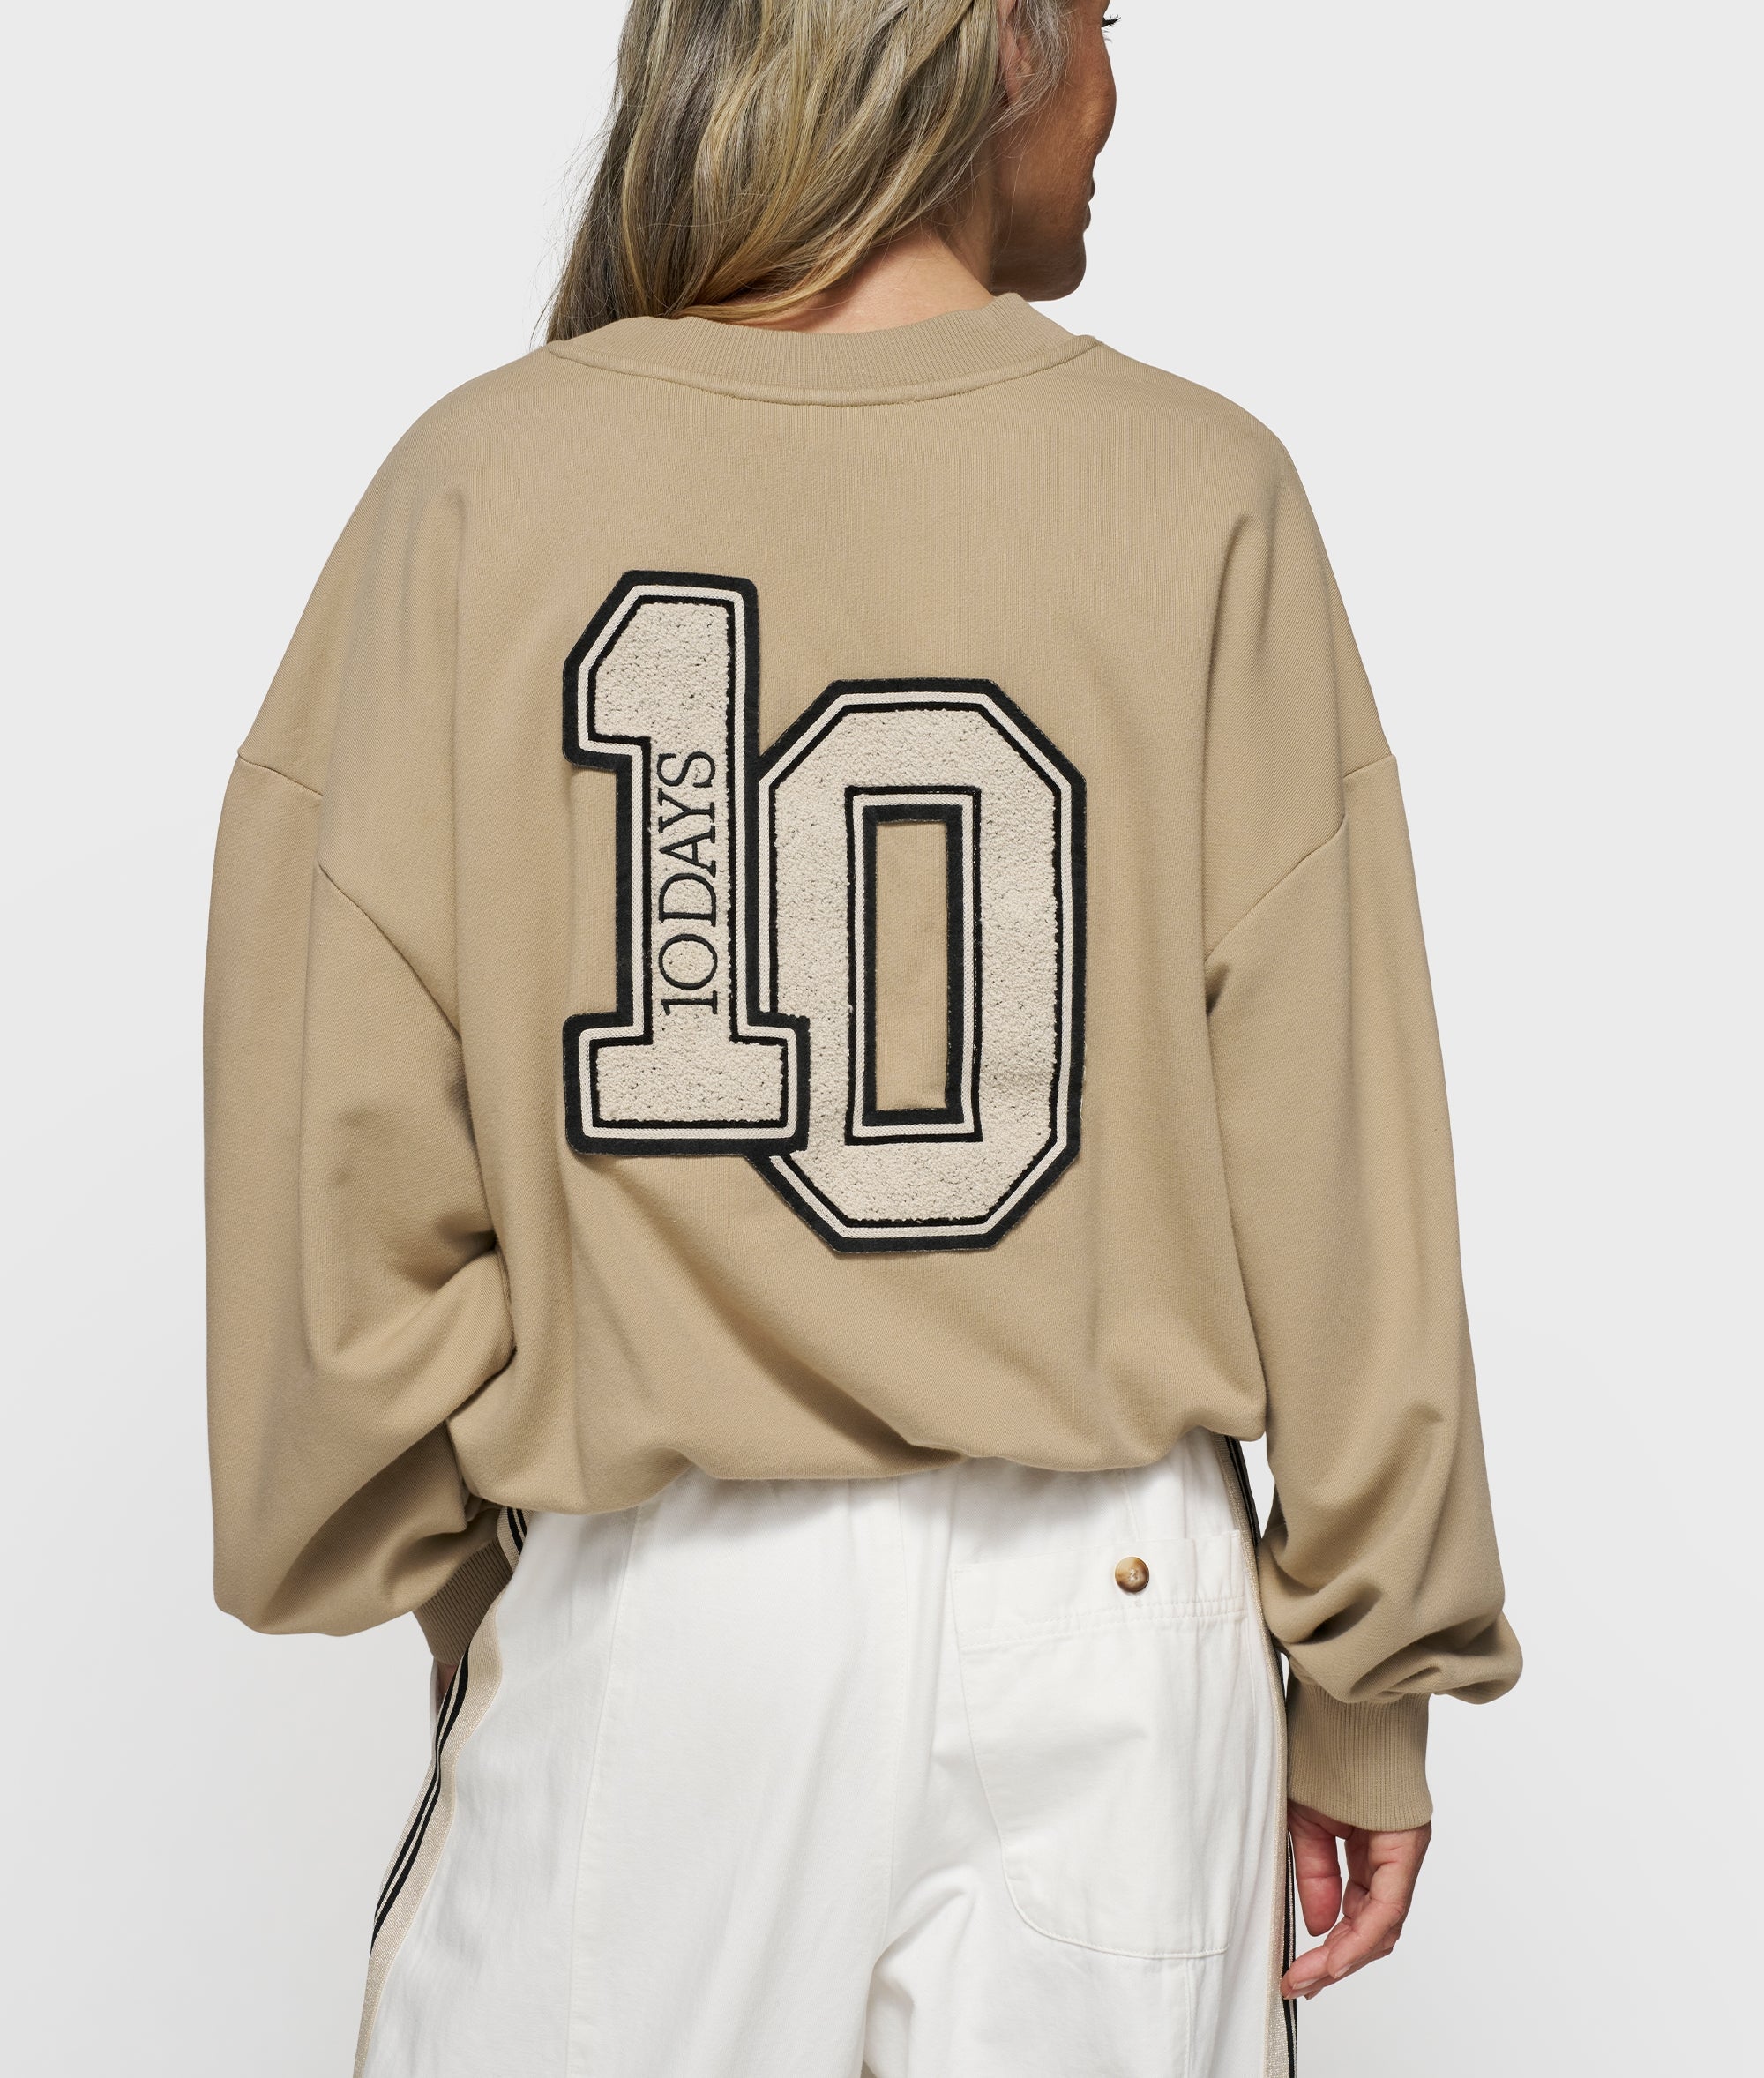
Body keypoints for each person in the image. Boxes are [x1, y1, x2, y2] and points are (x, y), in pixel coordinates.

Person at [203, 3, 1521, 2073]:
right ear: (993, 41)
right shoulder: (1201, 494)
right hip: (1119, 1626)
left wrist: (471, 1582)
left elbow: (335, 1165)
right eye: (1102, 13)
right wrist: (1367, 1682)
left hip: (669, 1616)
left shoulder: (478, 486)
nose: (1121, 77)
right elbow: (1332, 1162)